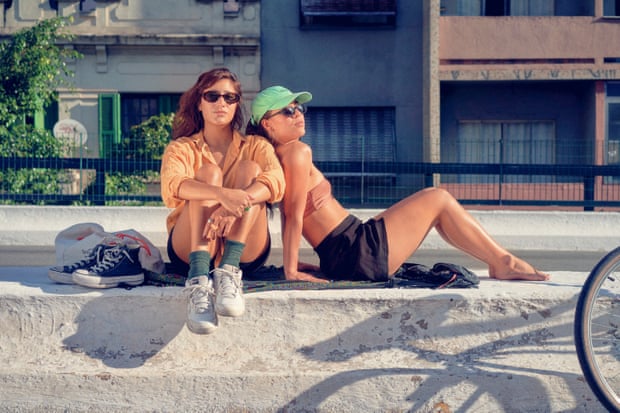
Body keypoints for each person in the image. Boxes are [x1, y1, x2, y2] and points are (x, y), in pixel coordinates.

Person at [245, 85, 550, 284]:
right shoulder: (297, 152)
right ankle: (502, 261)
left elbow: (289, 215)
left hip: (346, 248)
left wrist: (296, 262)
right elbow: (294, 215)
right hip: (354, 253)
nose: (298, 114)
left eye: (300, 108)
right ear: (268, 124)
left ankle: (501, 261)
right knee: (438, 199)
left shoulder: (277, 158)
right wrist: (291, 270)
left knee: (432, 205)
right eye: (288, 110)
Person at [160, 69, 285, 334]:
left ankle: (229, 269)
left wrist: (238, 203)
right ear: (199, 102)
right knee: (207, 176)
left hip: (245, 248)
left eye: (230, 98)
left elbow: (277, 181)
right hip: (190, 246)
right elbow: (172, 186)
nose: (221, 103)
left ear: (237, 103)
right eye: (212, 96)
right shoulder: (181, 148)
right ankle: (198, 280)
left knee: (251, 172)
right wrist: (220, 195)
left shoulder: (256, 146)